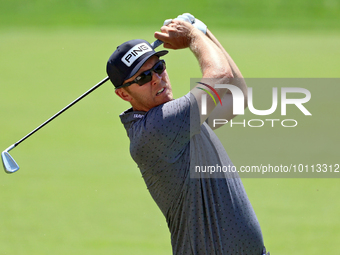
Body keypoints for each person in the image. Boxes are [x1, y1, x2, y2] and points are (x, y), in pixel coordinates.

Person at [106, 14, 269, 255]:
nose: (157, 79)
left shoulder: (179, 119)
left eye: (159, 67)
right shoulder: (157, 128)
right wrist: (193, 36)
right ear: (124, 95)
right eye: (143, 77)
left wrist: (203, 31)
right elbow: (220, 77)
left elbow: (237, 95)